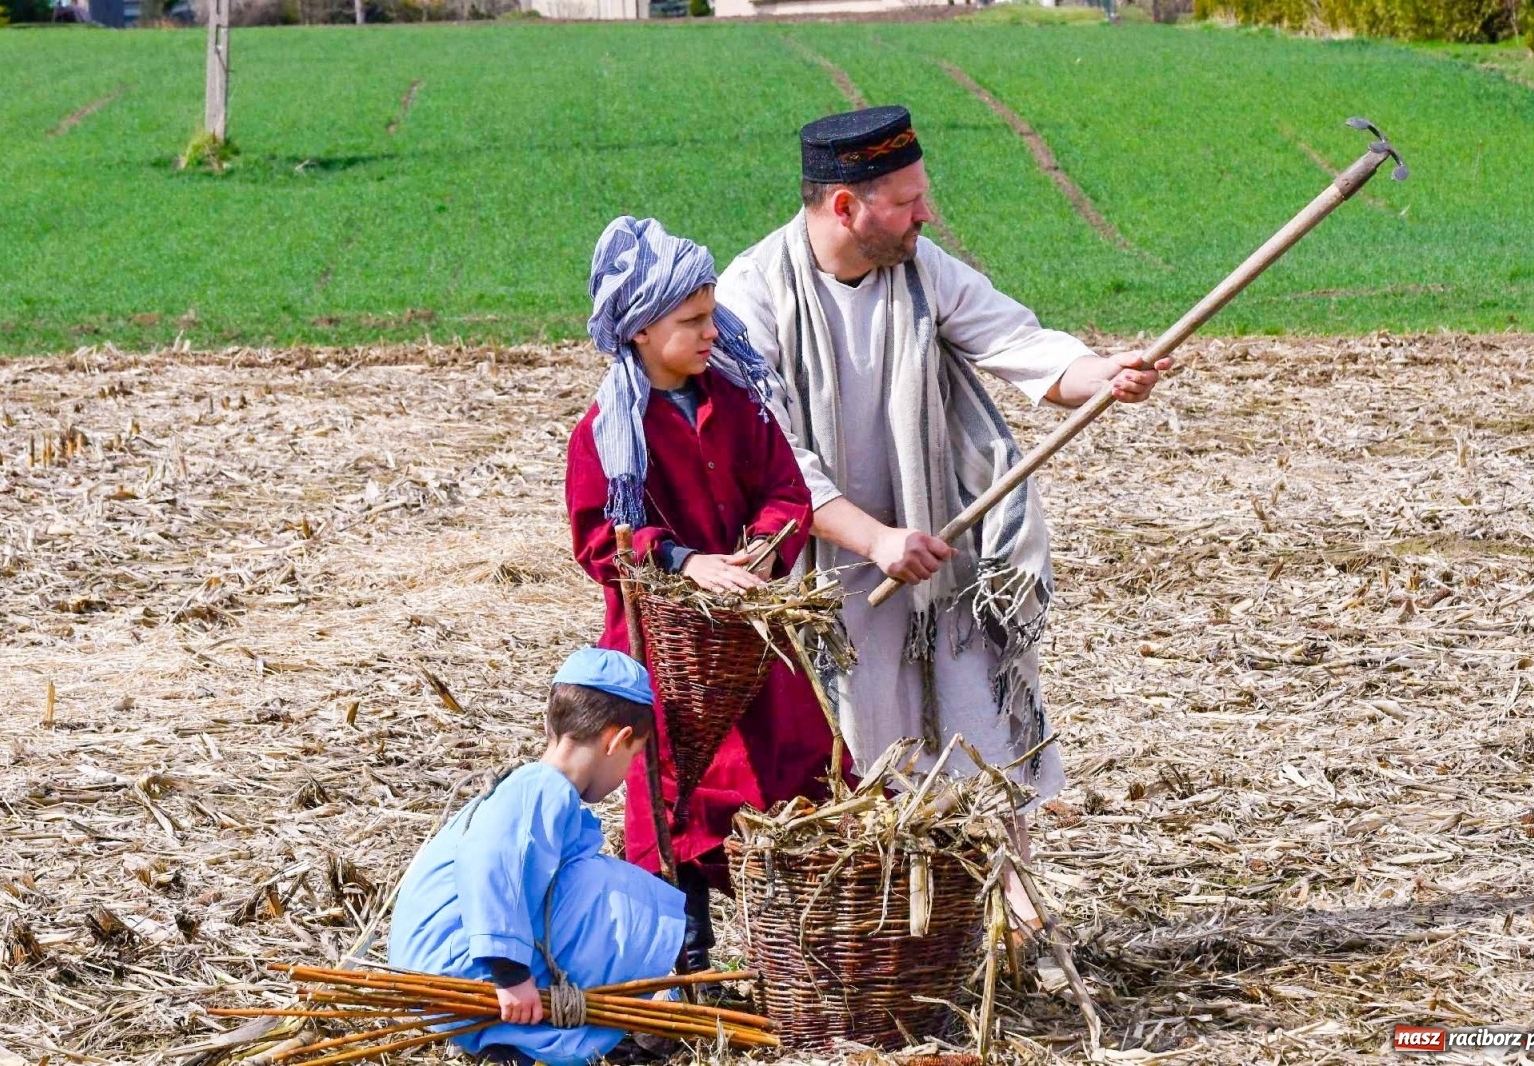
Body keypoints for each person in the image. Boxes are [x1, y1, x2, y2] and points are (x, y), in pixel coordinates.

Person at [715, 105, 1170, 809]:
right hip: (824, 573)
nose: (925, 213)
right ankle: (893, 915)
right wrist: (875, 540)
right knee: (858, 761)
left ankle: (1008, 901)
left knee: (976, 746)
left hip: (937, 549)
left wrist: (1103, 373)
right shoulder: (753, 293)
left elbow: (1017, 343)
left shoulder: (921, 269)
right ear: (845, 206)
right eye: (905, 202)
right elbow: (770, 451)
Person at [565, 216, 842, 971]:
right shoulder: (609, 431)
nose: (711, 331)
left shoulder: (738, 402)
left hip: (754, 643)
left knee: (794, 773)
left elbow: (789, 493)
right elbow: (599, 540)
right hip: (666, 655)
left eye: (712, 313)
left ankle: (803, 952)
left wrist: (763, 549)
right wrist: (685, 562)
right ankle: (684, 964)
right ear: (641, 329)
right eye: (692, 321)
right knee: (675, 797)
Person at [388, 647, 686, 1066]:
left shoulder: (533, 786)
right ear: (615, 740)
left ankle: (514, 1040)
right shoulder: (542, 787)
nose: (625, 777)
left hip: (449, 964)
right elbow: (492, 861)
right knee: (612, 890)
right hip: (467, 964)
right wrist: (509, 972)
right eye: (632, 758)